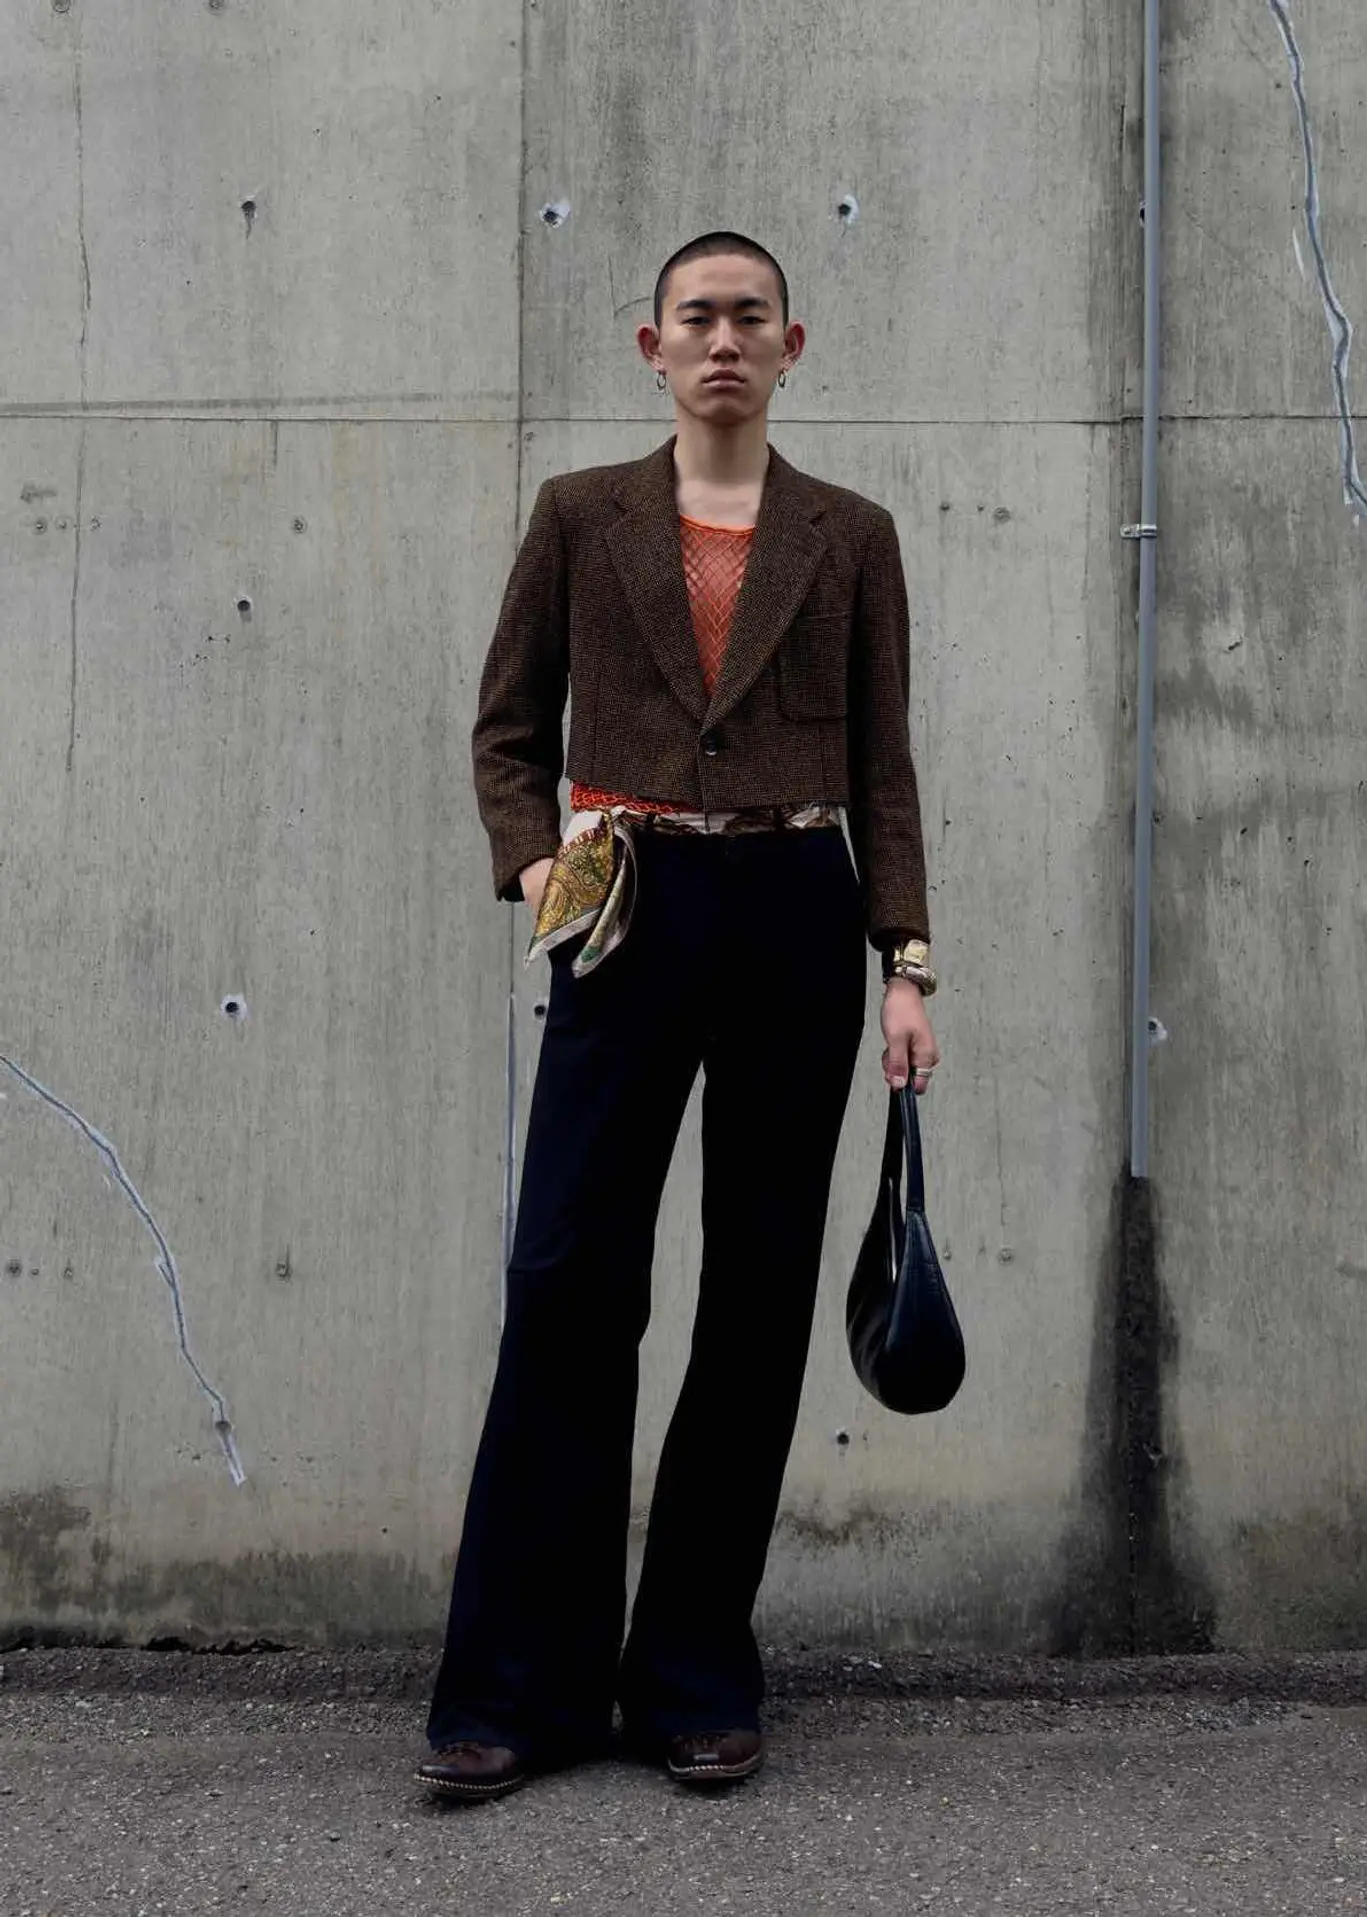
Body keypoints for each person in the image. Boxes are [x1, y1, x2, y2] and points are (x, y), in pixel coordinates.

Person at [417, 231, 939, 1801]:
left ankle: (694, 1674)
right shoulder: (582, 516)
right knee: (567, 1280)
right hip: (625, 902)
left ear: (792, 344)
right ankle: (521, 1687)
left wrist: (905, 962)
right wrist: (540, 873)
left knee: (759, 1295)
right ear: (651, 346)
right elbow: (508, 730)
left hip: (794, 912)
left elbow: (884, 764)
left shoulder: (851, 536)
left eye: (749, 317)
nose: (724, 339)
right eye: (697, 317)